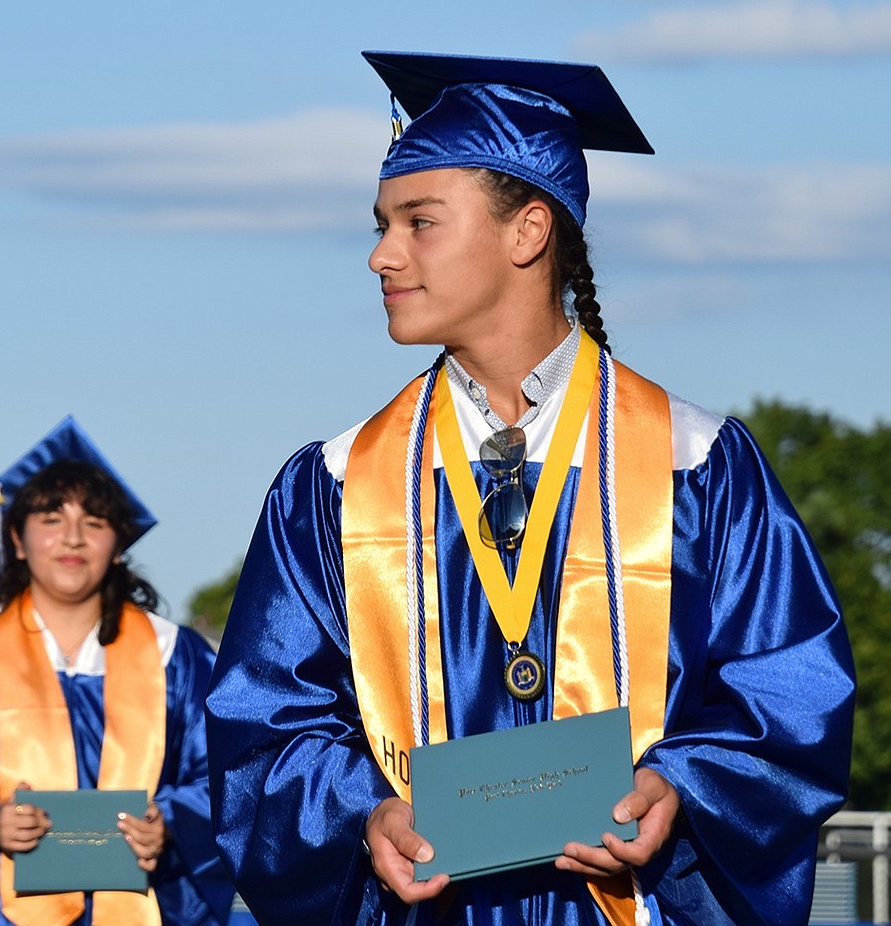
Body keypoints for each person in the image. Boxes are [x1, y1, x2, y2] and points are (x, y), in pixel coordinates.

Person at [204, 51, 856, 925]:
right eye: (380, 224)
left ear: (528, 232)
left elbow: (790, 691)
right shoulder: (334, 487)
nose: (379, 256)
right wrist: (365, 814)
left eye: (418, 222)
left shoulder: (698, 468)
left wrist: (679, 784)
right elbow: (263, 727)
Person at [0, 416, 233, 925]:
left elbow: (229, 771)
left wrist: (168, 821)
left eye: (95, 522)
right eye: (51, 520)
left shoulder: (176, 654)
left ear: (118, 543)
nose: (73, 539)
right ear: (16, 539)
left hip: (149, 904)